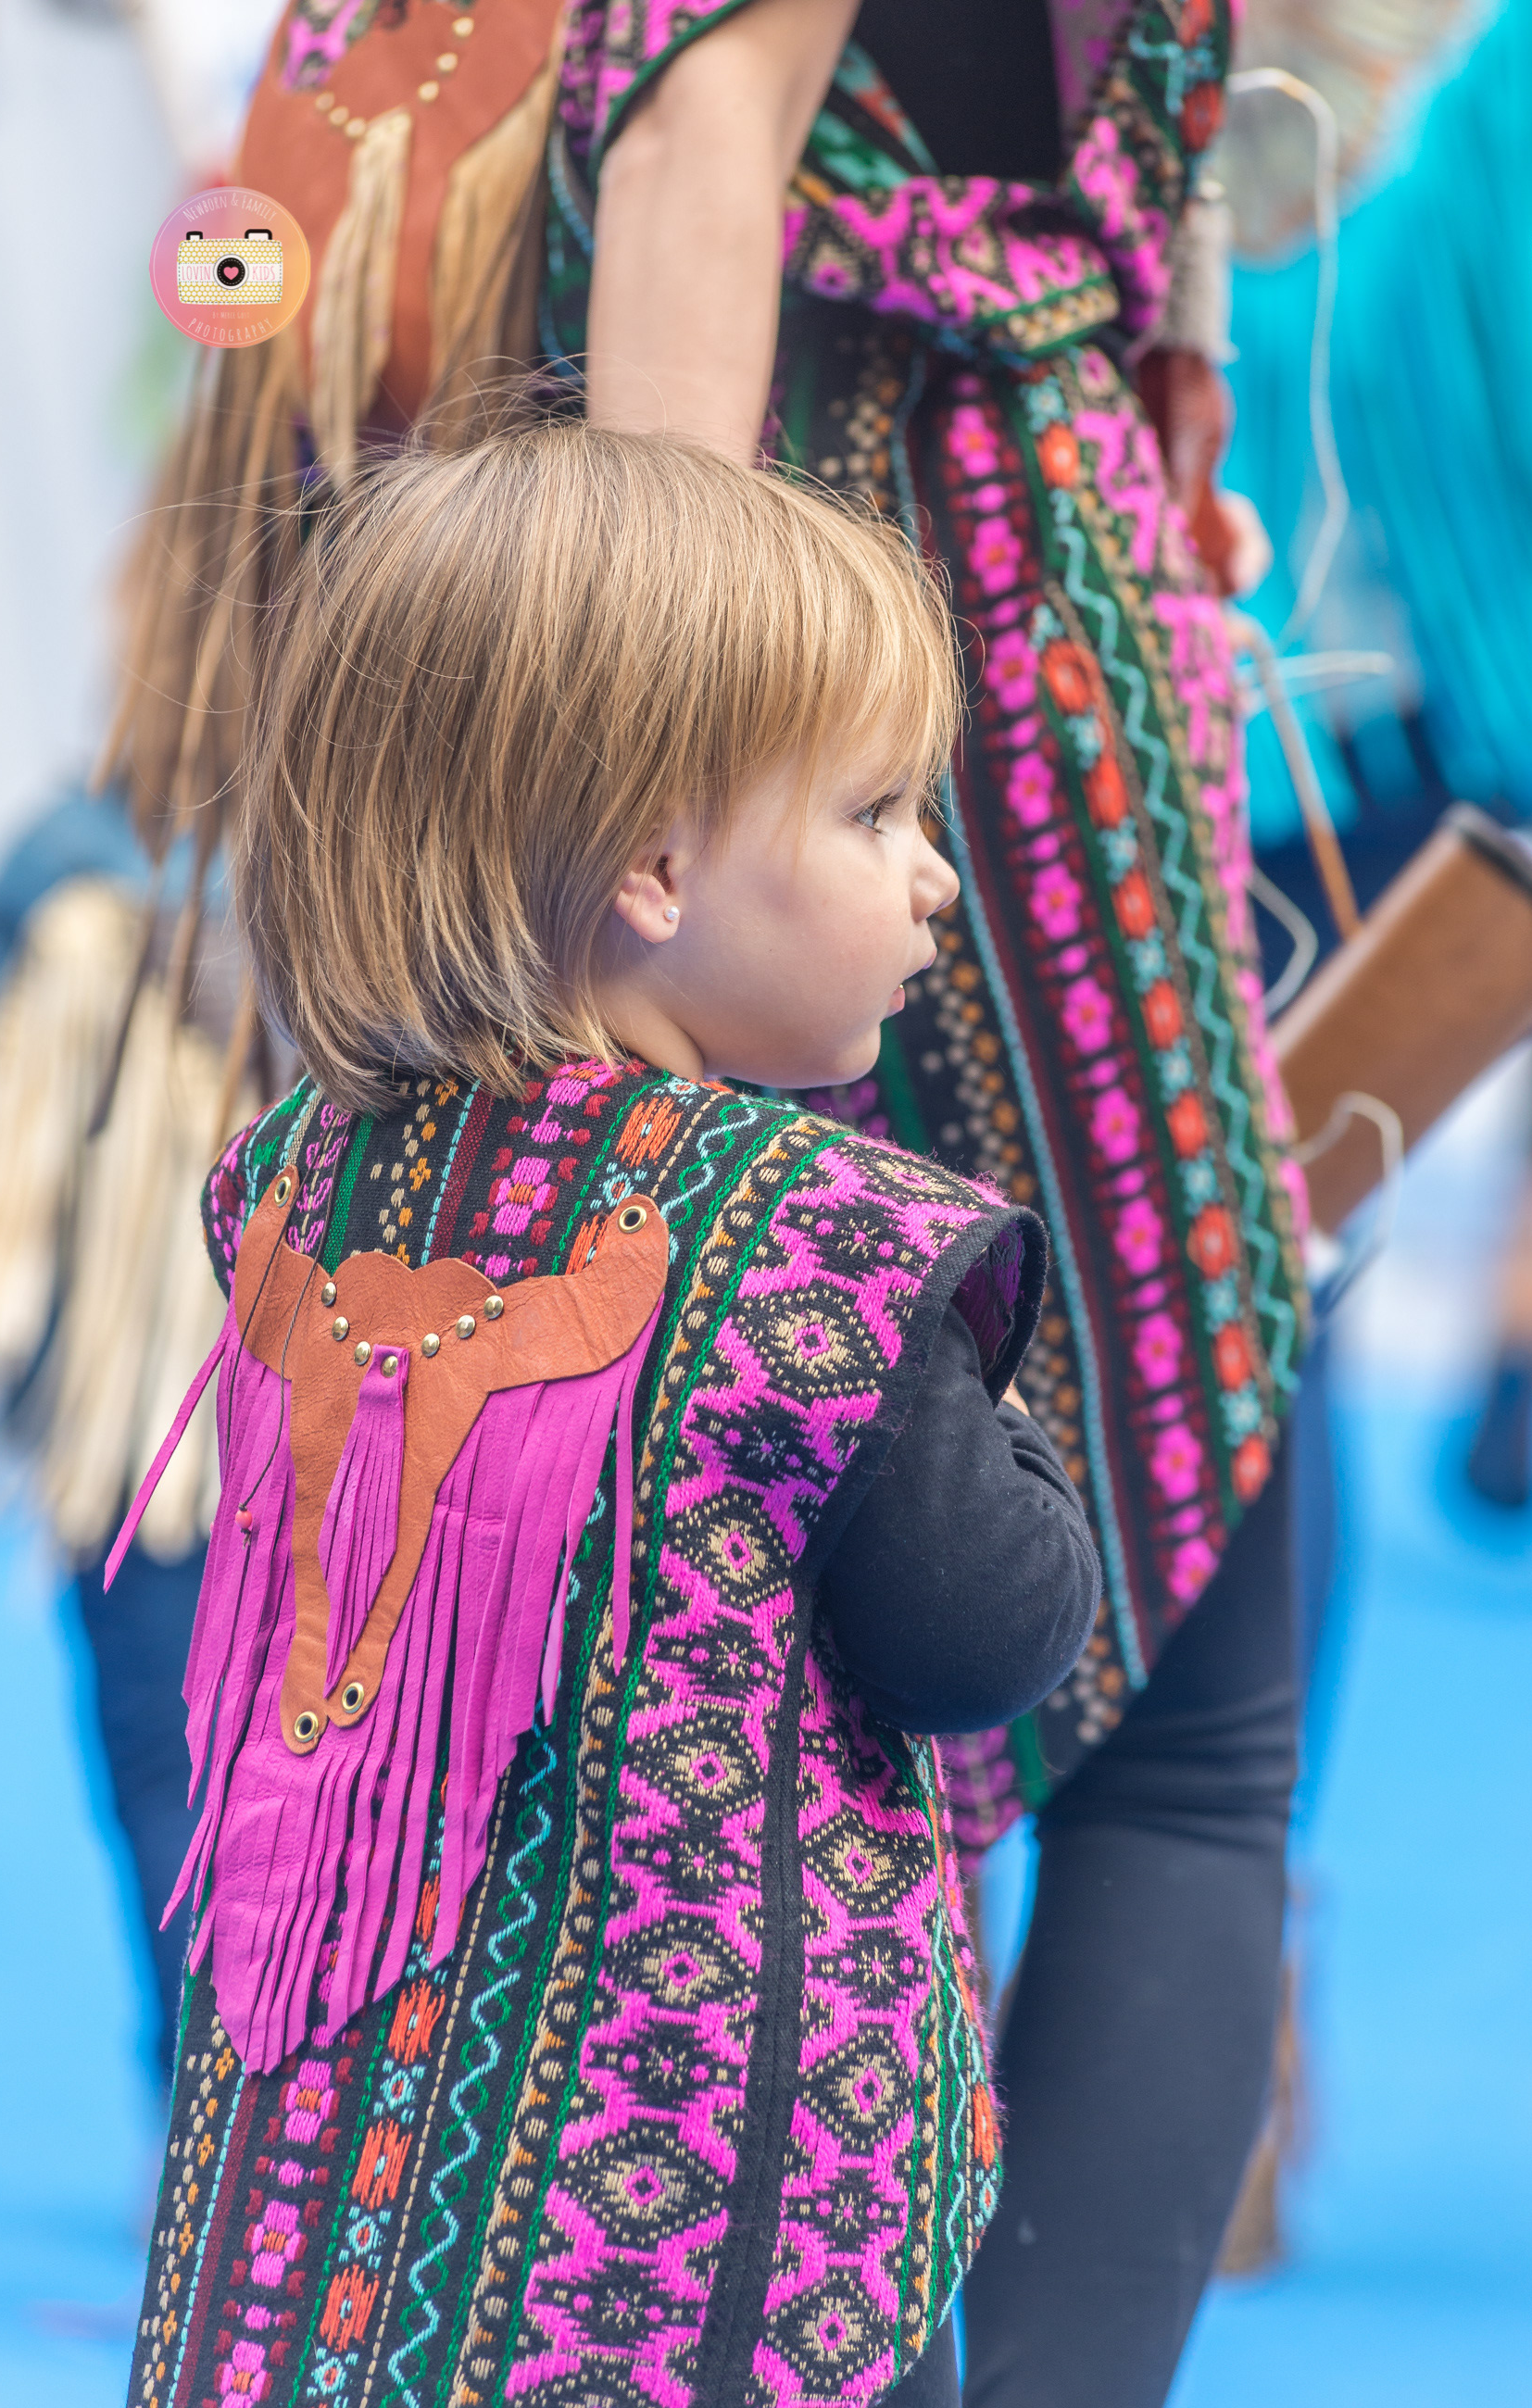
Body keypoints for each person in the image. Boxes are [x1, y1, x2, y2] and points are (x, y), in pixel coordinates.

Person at [124, 421, 1101, 2408]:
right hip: (702, 2210)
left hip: (334, 2172)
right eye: (874, 812)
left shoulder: (303, 1178)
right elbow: (985, 1633)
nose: (933, 876)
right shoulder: (820, 1235)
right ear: (655, 869)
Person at [550, 4, 1310, 2400]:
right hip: (1027, 731)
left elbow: (693, 152)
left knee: (776, 1697)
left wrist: (656, 834)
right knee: (1146, 1729)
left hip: (832, 753)